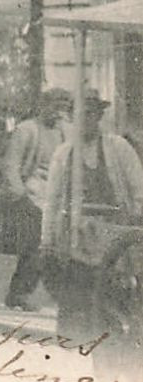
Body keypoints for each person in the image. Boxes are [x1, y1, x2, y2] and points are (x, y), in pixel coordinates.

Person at [41, 92, 143, 348]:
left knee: (113, 304)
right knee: (77, 304)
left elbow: (139, 189)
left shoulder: (118, 147)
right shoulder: (64, 154)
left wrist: (133, 224)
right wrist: (47, 240)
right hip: (78, 241)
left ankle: (111, 354)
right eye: (79, 115)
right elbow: (51, 202)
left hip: (114, 242)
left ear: (98, 116)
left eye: (90, 114)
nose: (85, 121)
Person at [3, 89, 71, 310]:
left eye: (62, 108)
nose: (58, 113)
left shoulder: (65, 132)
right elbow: (11, 165)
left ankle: (62, 296)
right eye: (54, 107)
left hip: (56, 199)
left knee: (60, 249)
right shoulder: (26, 130)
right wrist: (20, 194)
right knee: (34, 247)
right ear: (43, 105)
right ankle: (19, 294)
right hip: (32, 195)